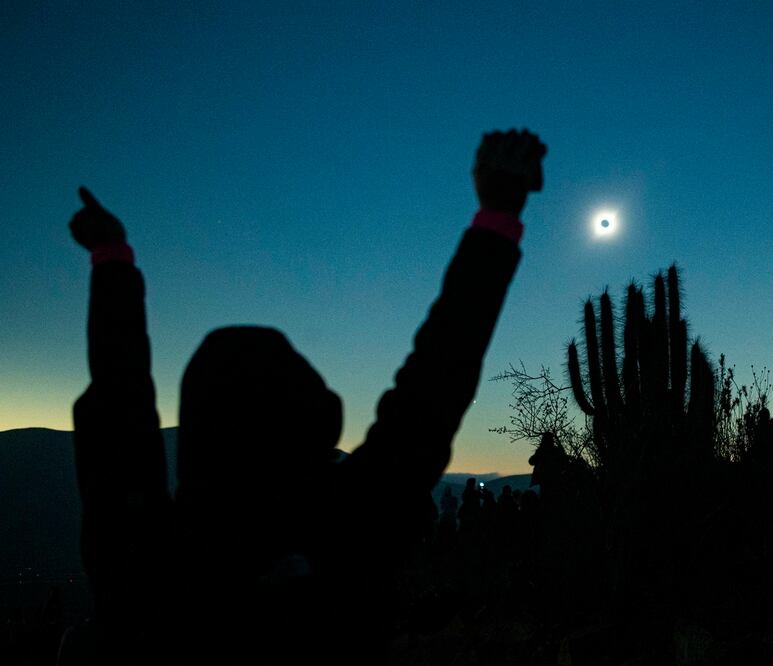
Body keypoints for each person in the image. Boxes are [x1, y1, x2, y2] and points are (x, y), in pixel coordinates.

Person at [69, 129, 547, 664]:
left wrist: (111, 258)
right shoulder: (351, 529)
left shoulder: (147, 563)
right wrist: (499, 215)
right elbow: (437, 377)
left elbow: (119, 404)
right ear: (317, 416)